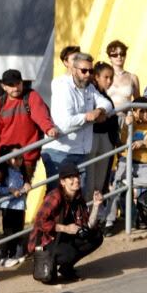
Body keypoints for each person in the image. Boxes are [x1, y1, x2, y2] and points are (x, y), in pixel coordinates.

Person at [42, 52, 108, 190]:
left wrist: (99, 111)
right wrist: (86, 117)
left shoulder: (89, 87)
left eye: (91, 71)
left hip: (81, 152)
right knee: (57, 197)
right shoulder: (62, 86)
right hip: (60, 151)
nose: (87, 74)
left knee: (77, 198)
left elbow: (107, 103)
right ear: (73, 70)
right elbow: (64, 122)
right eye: (84, 71)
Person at [29, 162, 103, 283]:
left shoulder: (78, 197)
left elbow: (88, 225)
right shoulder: (55, 196)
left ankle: (66, 268)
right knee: (68, 255)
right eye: (71, 177)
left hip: (65, 238)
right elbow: (39, 221)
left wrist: (96, 205)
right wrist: (65, 228)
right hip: (47, 240)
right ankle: (51, 263)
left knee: (96, 236)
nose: (76, 180)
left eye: (77, 176)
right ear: (63, 182)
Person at [0, 69, 59, 180]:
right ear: (3, 86)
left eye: (18, 83)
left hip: (27, 161)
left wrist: (48, 128)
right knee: (5, 195)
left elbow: (41, 115)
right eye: (11, 85)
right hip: (5, 162)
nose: (16, 88)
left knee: (27, 195)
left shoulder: (31, 96)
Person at [110, 106, 147, 230]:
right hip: (126, 161)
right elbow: (123, 143)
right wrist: (127, 125)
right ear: (135, 112)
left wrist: (144, 143)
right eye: (142, 111)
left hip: (143, 165)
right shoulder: (130, 123)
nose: (146, 113)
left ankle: (124, 182)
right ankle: (109, 221)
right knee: (114, 189)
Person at [87, 62, 121, 204]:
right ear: (96, 77)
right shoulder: (90, 92)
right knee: (90, 177)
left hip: (106, 138)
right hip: (92, 137)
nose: (109, 81)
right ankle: (87, 212)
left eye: (111, 77)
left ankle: (97, 213)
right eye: (106, 77)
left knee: (101, 180)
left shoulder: (105, 97)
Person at [0, 144, 30, 268]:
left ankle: (17, 254)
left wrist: (27, 185)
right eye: (15, 158)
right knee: (8, 232)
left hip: (20, 206)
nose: (18, 161)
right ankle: (6, 255)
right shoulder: (4, 171)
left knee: (18, 231)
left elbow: (25, 183)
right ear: (8, 158)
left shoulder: (22, 170)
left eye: (21, 158)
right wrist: (10, 190)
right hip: (8, 206)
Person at [106, 40, 140, 108]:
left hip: (126, 116)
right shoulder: (104, 77)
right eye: (115, 55)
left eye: (122, 54)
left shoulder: (133, 78)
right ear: (110, 57)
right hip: (108, 116)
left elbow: (138, 102)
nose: (119, 57)